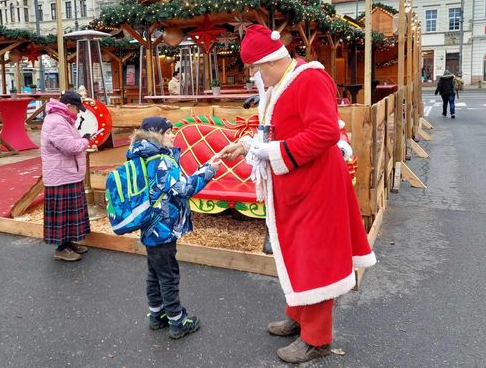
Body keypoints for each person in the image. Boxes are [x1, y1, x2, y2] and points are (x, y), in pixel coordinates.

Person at [218, 24, 375, 365]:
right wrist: (248, 145)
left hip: (317, 187)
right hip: (297, 185)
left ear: (270, 62)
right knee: (296, 253)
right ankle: (299, 316)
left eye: (256, 70)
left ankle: (317, 339)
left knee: (314, 259)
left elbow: (324, 132)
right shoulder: (284, 82)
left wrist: (270, 152)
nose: (255, 77)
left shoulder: (309, 79)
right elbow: (281, 132)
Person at [127, 116, 220, 339]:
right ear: (156, 133)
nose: (172, 135)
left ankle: (156, 314)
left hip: (150, 225)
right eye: (168, 132)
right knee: (168, 275)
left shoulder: (140, 155)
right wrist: (209, 171)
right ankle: (178, 321)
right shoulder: (160, 160)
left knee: (154, 272)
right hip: (163, 227)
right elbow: (183, 189)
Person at [41, 91, 92, 262]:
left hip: (66, 173)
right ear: (69, 106)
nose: (78, 113)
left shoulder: (60, 118)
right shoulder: (57, 121)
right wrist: (85, 140)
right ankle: (61, 248)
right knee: (63, 214)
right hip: (61, 174)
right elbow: (70, 147)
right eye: (77, 109)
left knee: (68, 214)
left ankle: (68, 243)